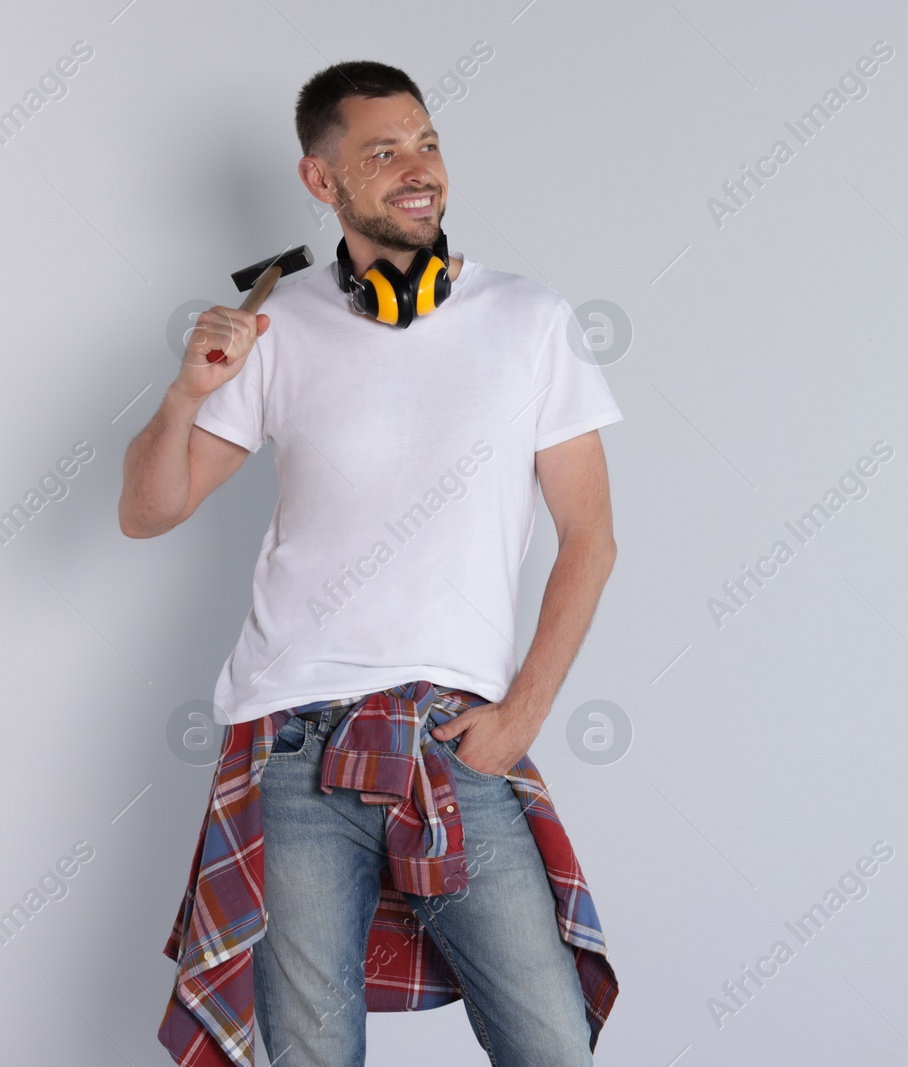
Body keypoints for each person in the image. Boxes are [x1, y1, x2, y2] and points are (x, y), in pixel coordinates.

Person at [118, 60, 621, 1067]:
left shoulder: (529, 319)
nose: (416, 168)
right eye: (381, 151)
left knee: (553, 1044)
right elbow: (147, 511)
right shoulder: (277, 324)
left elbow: (591, 537)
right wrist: (183, 394)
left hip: (456, 747)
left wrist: (520, 714)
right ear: (321, 181)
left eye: (425, 142)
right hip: (296, 749)